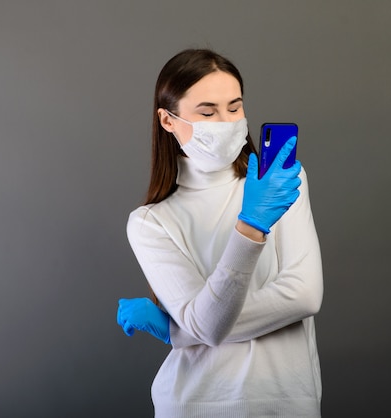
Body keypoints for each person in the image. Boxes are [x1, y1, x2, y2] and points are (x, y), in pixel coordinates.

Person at [117, 48, 324, 417]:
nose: (226, 121)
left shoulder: (281, 182)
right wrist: (250, 227)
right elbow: (208, 327)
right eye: (208, 111)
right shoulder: (151, 222)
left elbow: (304, 295)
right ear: (167, 120)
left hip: (288, 401)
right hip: (193, 403)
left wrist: (180, 330)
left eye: (235, 107)